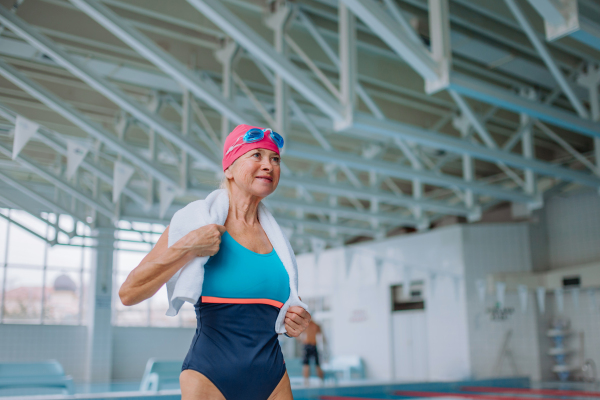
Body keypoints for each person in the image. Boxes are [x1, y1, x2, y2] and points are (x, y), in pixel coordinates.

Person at [118, 124, 311, 400]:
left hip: (273, 379)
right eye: (256, 155)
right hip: (209, 376)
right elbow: (128, 293)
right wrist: (187, 247)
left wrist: (296, 319)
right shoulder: (198, 222)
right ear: (229, 168)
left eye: (275, 159)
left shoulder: (279, 244)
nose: (268, 165)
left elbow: (283, 306)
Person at [299, 320, 325, 386]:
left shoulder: (305, 325)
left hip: (307, 345)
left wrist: (302, 341)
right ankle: (321, 381)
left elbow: (299, 336)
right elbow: (322, 337)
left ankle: (306, 382)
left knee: (306, 365)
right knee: (317, 364)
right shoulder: (316, 325)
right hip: (314, 345)